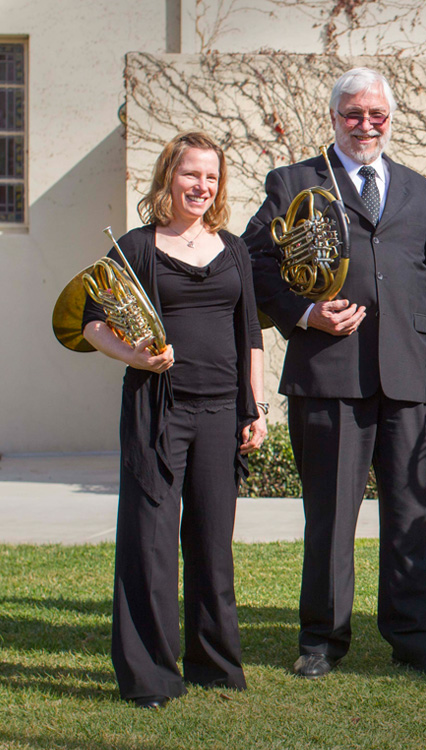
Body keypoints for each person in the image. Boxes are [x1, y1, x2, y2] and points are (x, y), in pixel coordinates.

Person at [243, 67, 426, 679]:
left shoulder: (419, 190)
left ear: (390, 120)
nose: (365, 125)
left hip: (406, 373)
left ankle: (415, 638)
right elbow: (253, 266)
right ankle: (322, 639)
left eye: (377, 115)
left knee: (408, 515)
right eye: (353, 114)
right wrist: (306, 312)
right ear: (334, 117)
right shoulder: (293, 181)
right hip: (328, 373)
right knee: (331, 516)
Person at [82, 131, 266, 709]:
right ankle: (151, 677)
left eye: (211, 177)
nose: (202, 187)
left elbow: (251, 336)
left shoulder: (233, 249)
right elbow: (92, 323)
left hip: (220, 413)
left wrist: (254, 408)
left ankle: (215, 666)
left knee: (213, 545)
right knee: (151, 544)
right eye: (191, 175)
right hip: (156, 412)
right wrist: (136, 356)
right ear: (169, 178)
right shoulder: (135, 246)